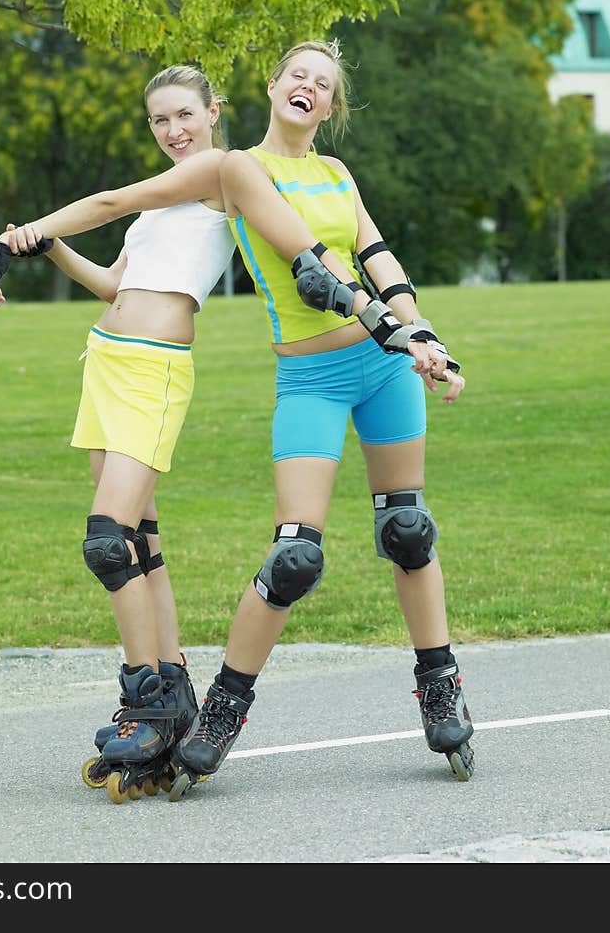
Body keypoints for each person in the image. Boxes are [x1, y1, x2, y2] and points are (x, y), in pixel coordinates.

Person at [168, 39, 475, 801]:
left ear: (330, 107)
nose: (308, 86)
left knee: (409, 530)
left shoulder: (337, 174)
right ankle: (223, 709)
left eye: (323, 83)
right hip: (311, 375)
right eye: (297, 75)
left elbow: (377, 257)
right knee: (294, 558)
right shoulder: (246, 168)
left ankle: (440, 687)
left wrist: (426, 336)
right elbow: (318, 279)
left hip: (385, 371)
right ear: (272, 87)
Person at [0, 65, 236, 805]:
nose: (174, 131)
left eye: (185, 115)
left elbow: (111, 199)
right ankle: (172, 683)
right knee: (140, 542)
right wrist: (47, 251)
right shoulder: (163, 204)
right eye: (160, 121)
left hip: (154, 371)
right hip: (107, 363)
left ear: (214, 113)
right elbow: (118, 285)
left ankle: (145, 696)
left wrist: (36, 225)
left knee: (106, 540)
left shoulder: (219, 173)